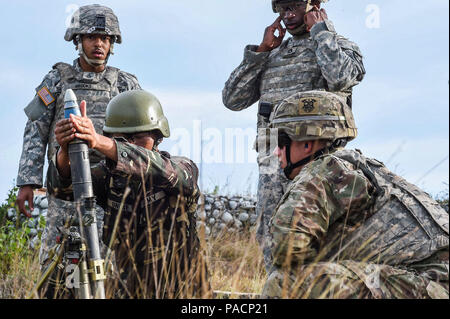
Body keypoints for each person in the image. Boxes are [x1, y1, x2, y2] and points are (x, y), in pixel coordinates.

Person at [222, 0, 366, 272]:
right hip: (271, 167)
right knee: (272, 238)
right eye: (282, 9)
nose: (288, 15)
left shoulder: (336, 45)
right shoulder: (273, 55)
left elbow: (341, 79)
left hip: (318, 166)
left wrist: (321, 33)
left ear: (314, 6)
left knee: (319, 242)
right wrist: (261, 52)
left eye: (295, 7)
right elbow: (232, 99)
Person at [262, 90, 449, 298]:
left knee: (285, 283)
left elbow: (285, 249)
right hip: (430, 283)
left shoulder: (326, 169)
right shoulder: (363, 168)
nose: (276, 152)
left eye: (281, 142)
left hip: (431, 285)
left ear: (307, 145)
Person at [14, 4, 141, 273]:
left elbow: (144, 138)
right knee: (54, 274)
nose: (99, 44)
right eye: (91, 37)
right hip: (64, 190)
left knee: (106, 273)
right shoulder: (57, 80)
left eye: (105, 38)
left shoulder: (125, 84)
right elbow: (35, 128)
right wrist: (27, 180)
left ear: (112, 43)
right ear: (77, 40)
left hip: (108, 193)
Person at [47, 90, 211, 298]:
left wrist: (99, 141)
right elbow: (60, 189)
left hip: (185, 291)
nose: (130, 145)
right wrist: (66, 150)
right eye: (122, 139)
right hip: (130, 290)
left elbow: (161, 169)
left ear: (158, 136)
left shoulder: (180, 168)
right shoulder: (109, 178)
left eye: (138, 137)